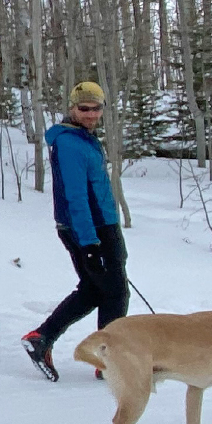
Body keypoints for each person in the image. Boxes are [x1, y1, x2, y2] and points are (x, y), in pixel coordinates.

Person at [21, 81, 129, 381]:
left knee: (97, 289)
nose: (91, 114)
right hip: (90, 228)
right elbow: (76, 196)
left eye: (96, 108)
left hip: (98, 225)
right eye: (84, 108)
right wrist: (90, 243)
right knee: (115, 291)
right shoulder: (69, 143)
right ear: (72, 108)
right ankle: (110, 361)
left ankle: (42, 338)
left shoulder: (83, 138)